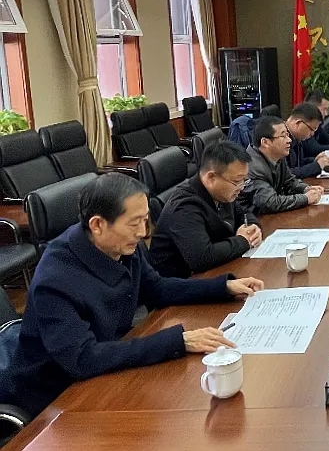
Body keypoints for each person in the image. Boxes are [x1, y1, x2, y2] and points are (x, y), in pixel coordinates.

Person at [0, 173, 265, 417]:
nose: (142, 232)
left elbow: (156, 289)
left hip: (106, 367)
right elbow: (83, 358)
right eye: (134, 223)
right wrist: (178, 341)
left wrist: (223, 287)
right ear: (97, 224)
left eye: (145, 219)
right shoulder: (55, 279)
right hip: (56, 395)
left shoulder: (121, 243)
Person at [150, 141, 263, 278]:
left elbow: (243, 212)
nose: (241, 187)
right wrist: (243, 241)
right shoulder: (184, 206)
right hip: (181, 282)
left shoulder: (222, 193)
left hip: (213, 271)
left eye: (244, 180)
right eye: (237, 181)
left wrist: (253, 227)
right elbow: (202, 258)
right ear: (211, 177)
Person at [240, 116, 325, 215]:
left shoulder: (278, 157)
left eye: (287, 135)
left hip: (270, 216)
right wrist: (306, 198)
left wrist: (306, 189)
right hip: (252, 219)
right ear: (265, 142)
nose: (289, 140)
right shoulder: (251, 167)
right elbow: (271, 202)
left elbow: (290, 182)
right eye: (283, 136)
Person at [284, 102, 329, 179]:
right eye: (311, 129)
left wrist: (315, 160)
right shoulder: (279, 139)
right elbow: (285, 175)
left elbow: (298, 163)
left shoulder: (296, 138)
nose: (312, 134)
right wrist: (316, 166)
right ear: (298, 123)